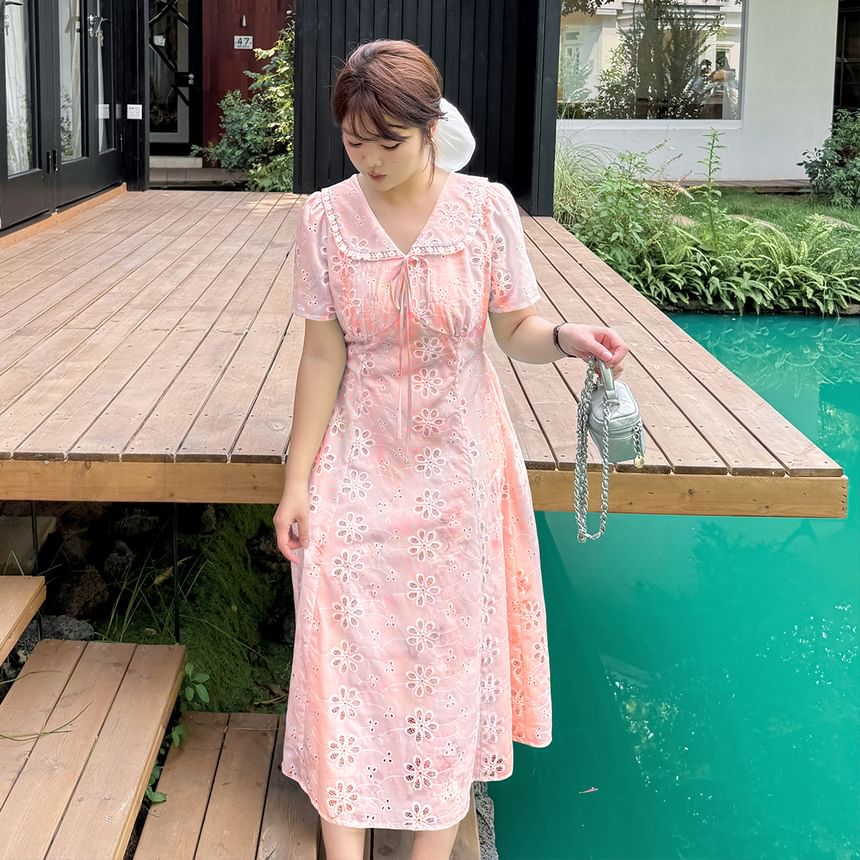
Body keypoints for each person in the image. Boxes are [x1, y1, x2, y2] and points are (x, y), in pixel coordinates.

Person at [273, 39, 628, 860]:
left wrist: (565, 337)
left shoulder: (486, 210)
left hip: (461, 464)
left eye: (387, 142)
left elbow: (516, 329)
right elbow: (321, 357)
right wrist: (297, 483)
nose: (369, 160)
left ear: (431, 128)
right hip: (358, 456)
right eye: (353, 142)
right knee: (342, 644)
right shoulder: (323, 218)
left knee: (451, 651)